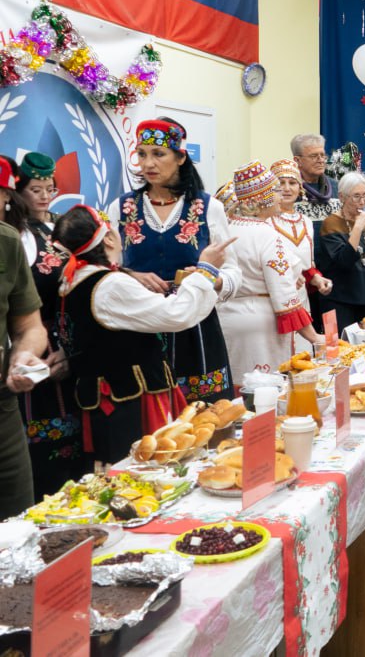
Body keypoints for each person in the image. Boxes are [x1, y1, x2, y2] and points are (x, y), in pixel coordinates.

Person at [54, 205, 234, 464]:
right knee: (147, 463)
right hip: (130, 399)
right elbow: (177, 315)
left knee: (123, 465)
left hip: (103, 397)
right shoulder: (111, 285)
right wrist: (206, 269)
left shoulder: (72, 281)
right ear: (108, 238)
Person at [107, 118, 239, 403]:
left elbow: (232, 273)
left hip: (197, 328)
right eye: (142, 154)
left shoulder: (208, 208)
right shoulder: (121, 208)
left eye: (158, 154)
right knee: (148, 422)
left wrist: (209, 276)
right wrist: (130, 276)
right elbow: (105, 269)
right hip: (141, 326)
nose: (148, 163)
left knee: (206, 418)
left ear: (180, 157)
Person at [12, 154, 86, 495]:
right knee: (34, 435)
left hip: (65, 335)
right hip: (29, 339)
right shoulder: (15, 235)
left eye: (49, 189)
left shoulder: (62, 227)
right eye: (35, 189)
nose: (44, 196)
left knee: (73, 433)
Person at [218, 162, 320, 382]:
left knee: (237, 386)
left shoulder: (226, 229)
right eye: (275, 190)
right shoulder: (267, 235)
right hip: (259, 326)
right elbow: (285, 298)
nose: (279, 195)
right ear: (261, 198)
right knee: (263, 391)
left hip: (226, 318)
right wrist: (314, 337)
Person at [0, 164, 44, 519]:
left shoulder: (7, 242)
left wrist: (24, 356)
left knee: (16, 525)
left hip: (3, 410)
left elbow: (30, 325)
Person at [315, 172, 365, 332]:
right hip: (339, 301)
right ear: (342, 197)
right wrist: (357, 228)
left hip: (364, 298)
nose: (362, 202)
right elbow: (344, 260)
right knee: (340, 351)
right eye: (356, 197)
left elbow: (361, 257)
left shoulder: (361, 220)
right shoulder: (331, 224)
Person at [268, 159, 332, 325]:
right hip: (275, 299)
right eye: (281, 183)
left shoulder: (306, 221)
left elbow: (307, 266)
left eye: (292, 183)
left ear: (300, 188)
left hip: (301, 298)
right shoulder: (267, 221)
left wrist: (317, 279)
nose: (287, 188)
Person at [290, 133, 339, 225]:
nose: (321, 160)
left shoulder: (336, 187)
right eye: (314, 156)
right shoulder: (288, 191)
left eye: (322, 155)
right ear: (297, 160)